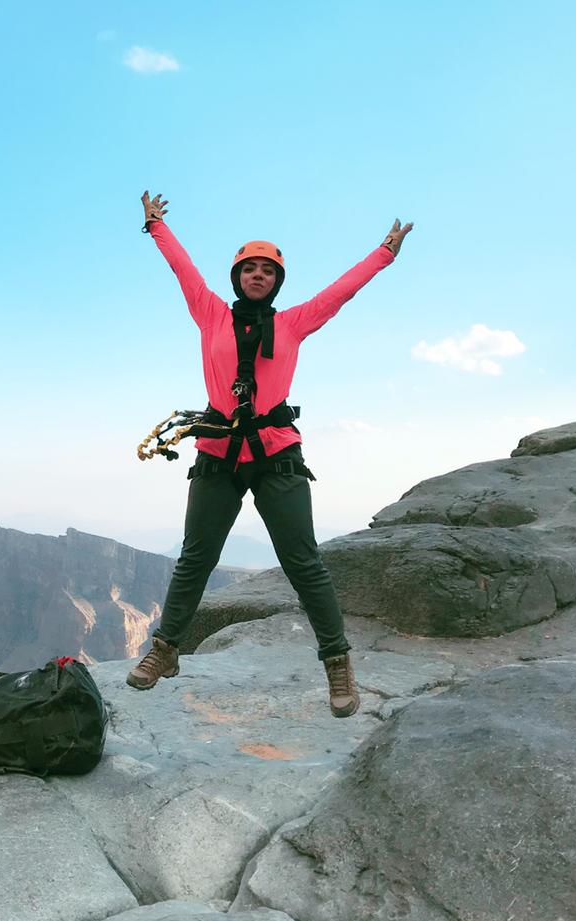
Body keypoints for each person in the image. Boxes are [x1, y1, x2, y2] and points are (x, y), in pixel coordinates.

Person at [127, 190, 412, 718]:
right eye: (249, 269)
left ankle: (337, 664)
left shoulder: (293, 323)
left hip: (275, 451)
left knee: (303, 562)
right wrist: (157, 226)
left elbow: (341, 292)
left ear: (277, 282)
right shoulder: (210, 314)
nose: (257, 275)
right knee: (196, 558)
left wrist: (384, 253)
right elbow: (183, 270)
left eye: (267, 271)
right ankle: (165, 651)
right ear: (237, 276)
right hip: (219, 450)